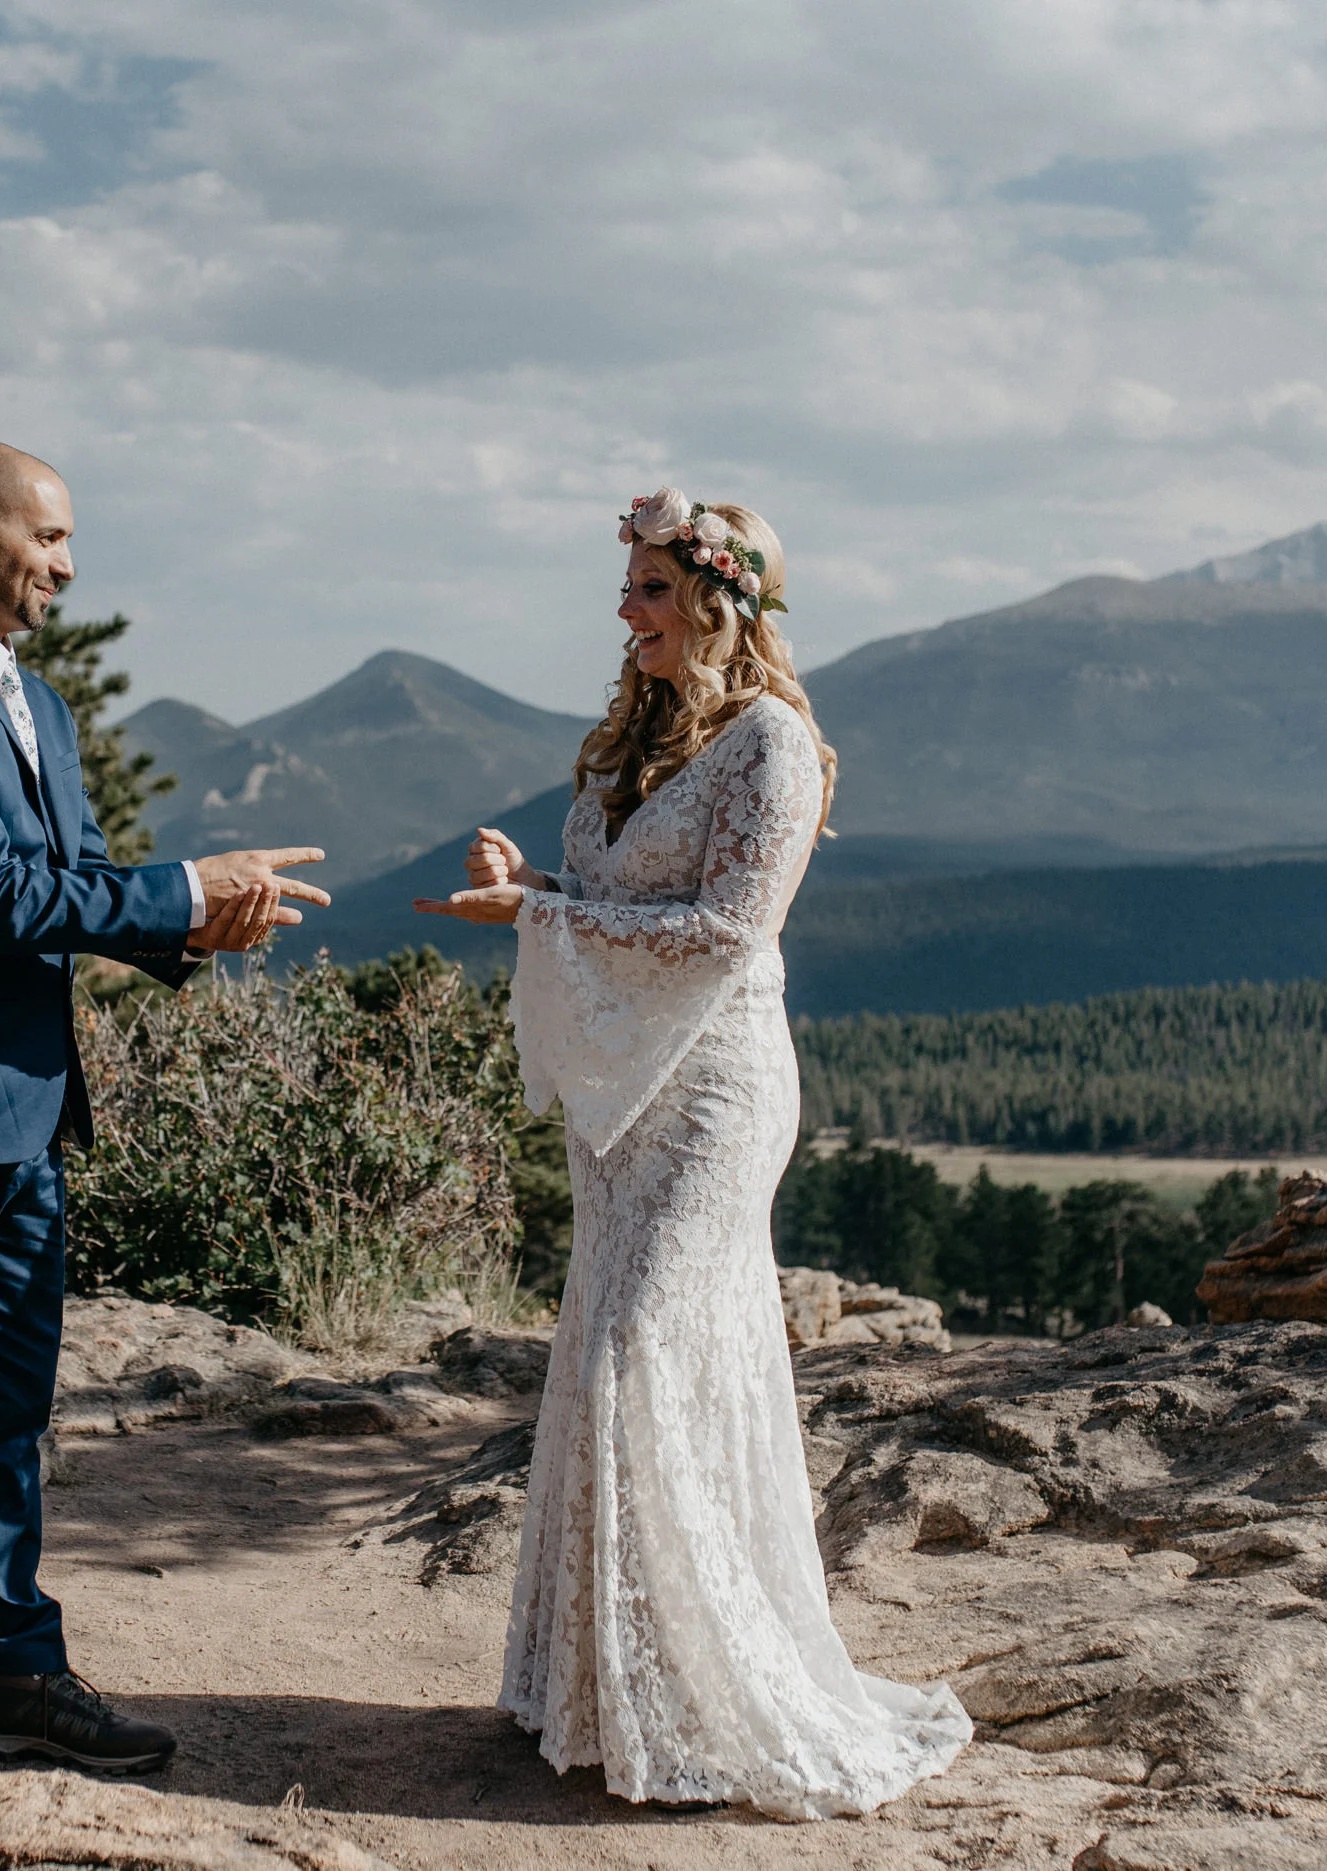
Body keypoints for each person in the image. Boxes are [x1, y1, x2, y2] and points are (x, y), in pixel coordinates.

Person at [415, 488, 970, 1816]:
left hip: (713, 1096)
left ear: (722, 599)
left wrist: (540, 918)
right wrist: (537, 894)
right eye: (629, 586)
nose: (626, 609)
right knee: (604, 1356)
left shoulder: (773, 744)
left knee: (643, 1355)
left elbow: (725, 934)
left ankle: (712, 1692)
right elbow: (614, 904)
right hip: (627, 1102)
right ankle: (602, 1691)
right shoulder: (636, 737)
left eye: (652, 586)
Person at [0, 440, 328, 1794]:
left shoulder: (37, 702)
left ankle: (15, 1669)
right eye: (52, 535)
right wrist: (179, 887)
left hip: (29, 1116)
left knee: (4, 1414)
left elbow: (75, 877)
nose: (71, 563)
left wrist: (203, 920)